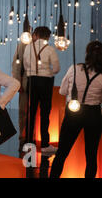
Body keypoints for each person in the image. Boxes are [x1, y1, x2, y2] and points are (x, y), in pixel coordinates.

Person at [50, 41, 102, 178]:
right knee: (91, 155)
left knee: (62, 152)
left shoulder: (74, 68)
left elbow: (62, 91)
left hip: (74, 112)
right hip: (94, 114)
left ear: (87, 54)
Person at [23, 26, 60, 154]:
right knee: (45, 113)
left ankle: (28, 143)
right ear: (48, 37)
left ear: (36, 35)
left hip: (31, 81)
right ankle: (44, 144)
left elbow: (25, 64)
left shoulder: (28, 47)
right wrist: (47, 71)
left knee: (31, 113)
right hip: (45, 82)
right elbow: (56, 68)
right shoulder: (49, 49)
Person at [12, 34, 30, 154]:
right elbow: (16, 65)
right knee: (23, 111)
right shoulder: (22, 46)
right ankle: (23, 137)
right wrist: (17, 82)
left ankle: (29, 136)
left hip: (37, 82)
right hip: (25, 82)